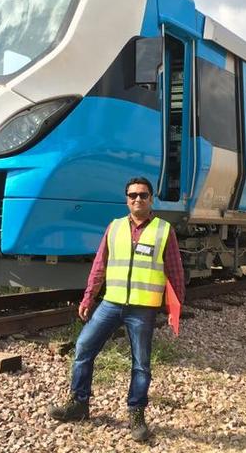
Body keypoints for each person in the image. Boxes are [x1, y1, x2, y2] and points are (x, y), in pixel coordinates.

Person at [48, 176, 185, 442]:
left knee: (141, 364)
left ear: (151, 199)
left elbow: (175, 271)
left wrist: (174, 307)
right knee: (83, 347)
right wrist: (88, 298)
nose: (137, 199)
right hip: (111, 303)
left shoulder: (164, 230)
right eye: (133, 195)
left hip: (143, 308)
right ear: (126, 200)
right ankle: (78, 404)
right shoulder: (115, 227)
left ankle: (136, 414)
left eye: (143, 195)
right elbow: (99, 265)